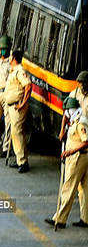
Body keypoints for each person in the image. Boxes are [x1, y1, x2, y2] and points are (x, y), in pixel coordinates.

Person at [45, 98, 88, 229]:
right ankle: (85, 218)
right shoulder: (76, 119)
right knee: (85, 189)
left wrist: (70, 152)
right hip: (81, 157)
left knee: (68, 187)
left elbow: (86, 142)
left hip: (78, 158)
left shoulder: (80, 124)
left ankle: (60, 219)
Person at [3, 50, 32, 173]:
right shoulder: (13, 71)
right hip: (10, 106)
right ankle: (20, 158)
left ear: (14, 58)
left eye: (10, 57)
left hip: (17, 107)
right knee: (15, 132)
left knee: (16, 132)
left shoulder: (20, 71)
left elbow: (28, 86)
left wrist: (22, 103)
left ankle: (22, 162)